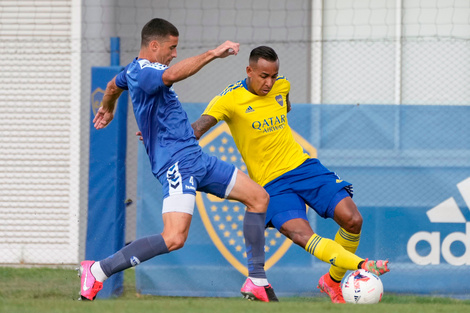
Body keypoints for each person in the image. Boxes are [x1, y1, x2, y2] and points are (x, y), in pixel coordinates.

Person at [79, 18, 278, 303]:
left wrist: (108, 107)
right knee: (174, 238)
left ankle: (257, 280)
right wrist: (212, 54)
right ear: (154, 45)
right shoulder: (145, 70)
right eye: (172, 48)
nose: (174, 54)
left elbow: (113, 84)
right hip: (176, 164)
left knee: (258, 197)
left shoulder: (133, 71)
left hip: (196, 158)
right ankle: (97, 270)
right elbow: (171, 75)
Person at [190, 46, 390, 303]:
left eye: (274, 75)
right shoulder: (228, 99)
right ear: (249, 71)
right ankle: (363, 265)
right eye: (263, 76)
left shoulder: (281, 87)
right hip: (272, 185)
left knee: (352, 219)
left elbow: (284, 106)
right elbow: (196, 130)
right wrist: (163, 139)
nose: (269, 82)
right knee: (301, 235)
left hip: (304, 168)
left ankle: (332, 281)